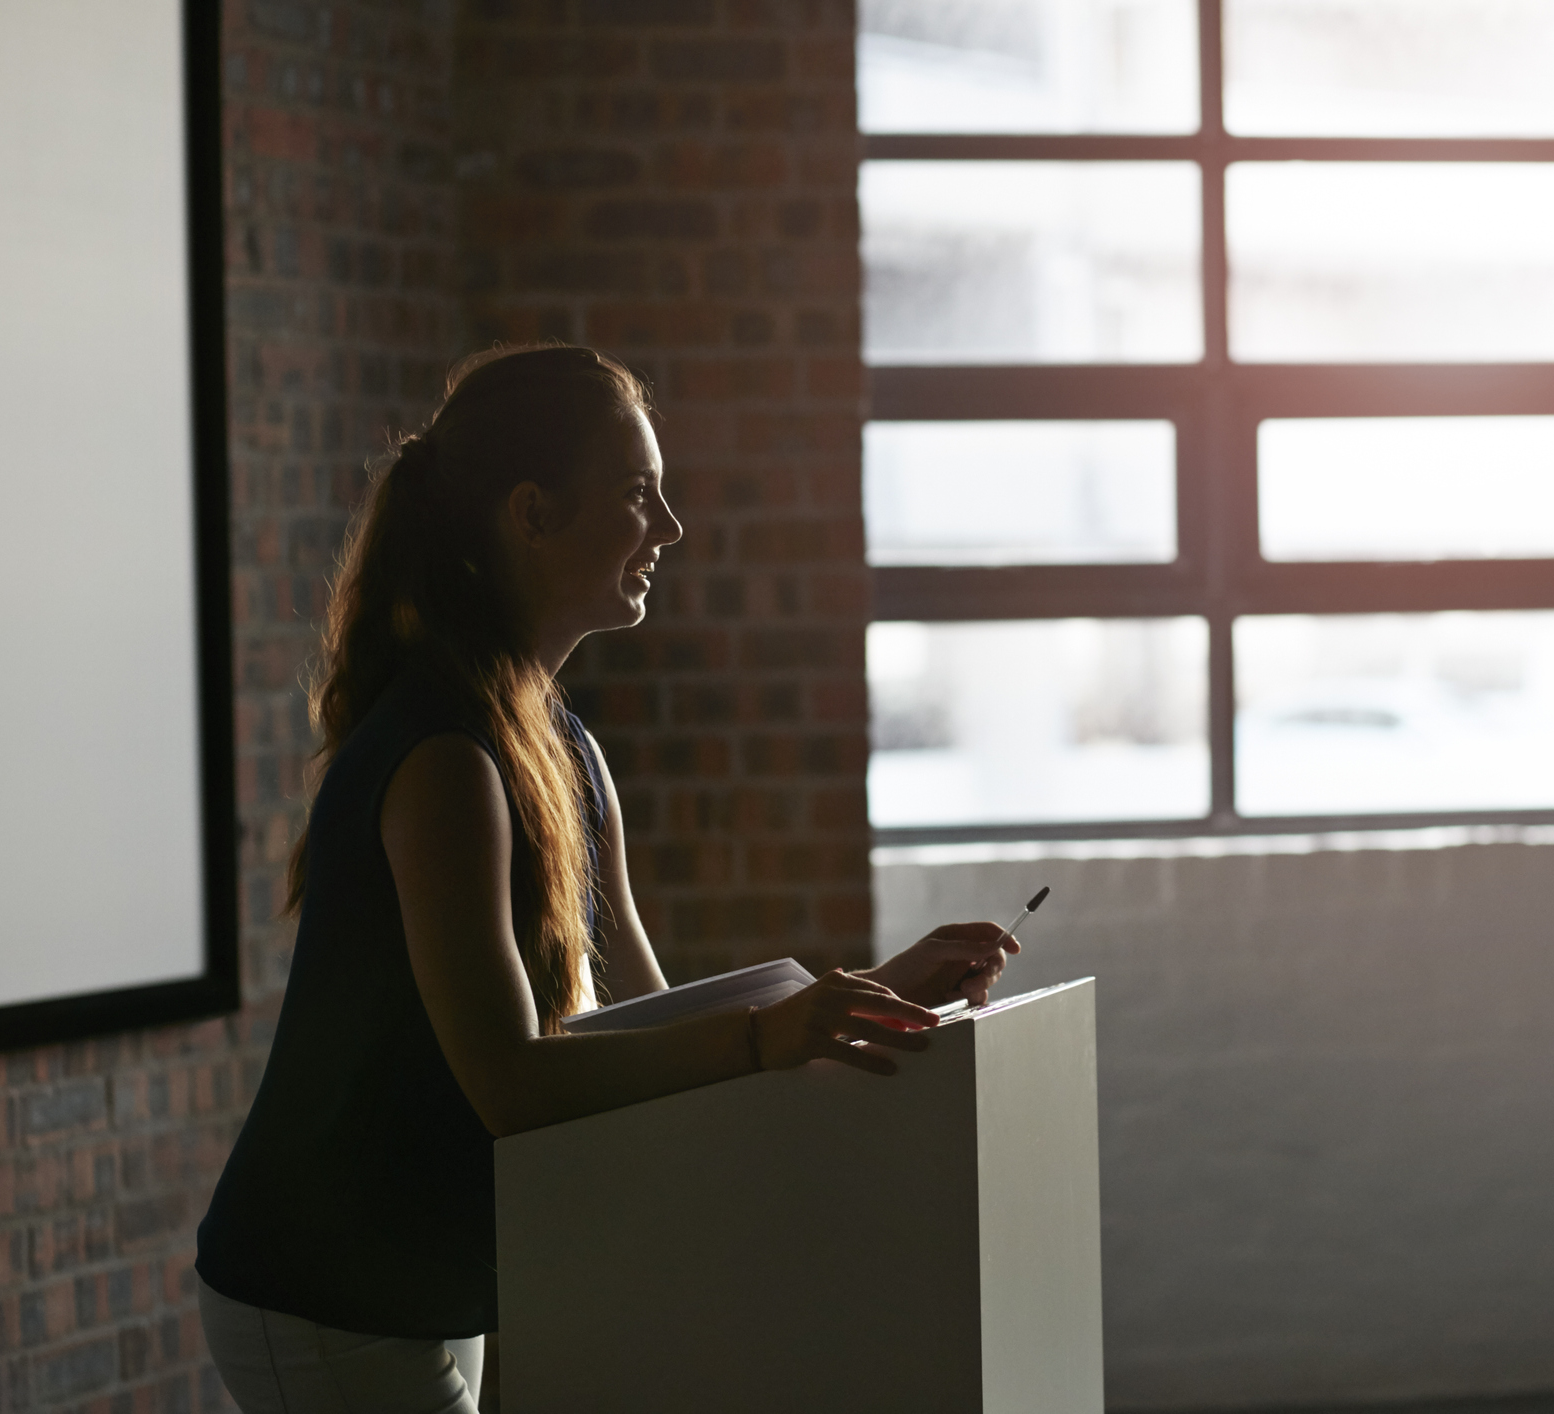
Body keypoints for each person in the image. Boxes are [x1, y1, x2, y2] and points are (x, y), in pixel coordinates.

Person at [194, 344, 1017, 1413]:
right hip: (322, 1296)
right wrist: (776, 1034)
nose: (669, 529)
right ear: (530, 514)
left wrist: (866, 995)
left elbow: (640, 1019)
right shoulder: (444, 757)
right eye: (638, 495)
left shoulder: (563, 745)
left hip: (425, 1277)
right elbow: (511, 1081)